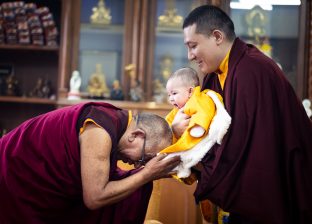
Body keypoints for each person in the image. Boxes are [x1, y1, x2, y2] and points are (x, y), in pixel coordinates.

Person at [171, 5, 312, 224]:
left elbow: (248, 147)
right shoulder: (216, 73)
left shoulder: (253, 70)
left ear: (217, 36)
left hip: (270, 189)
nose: (190, 56)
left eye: (193, 46)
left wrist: (193, 155)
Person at [0, 102, 181, 223]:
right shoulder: (99, 131)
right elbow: (94, 198)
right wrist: (147, 173)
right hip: (11, 174)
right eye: (143, 158)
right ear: (136, 135)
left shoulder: (117, 123)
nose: (136, 165)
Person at [161, 67, 231, 179]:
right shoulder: (176, 110)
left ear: (190, 91)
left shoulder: (199, 99)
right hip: (187, 143)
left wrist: (198, 127)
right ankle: (183, 168)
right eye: (169, 95)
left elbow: (204, 112)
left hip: (199, 137)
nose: (171, 99)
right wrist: (167, 129)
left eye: (174, 93)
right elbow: (168, 121)